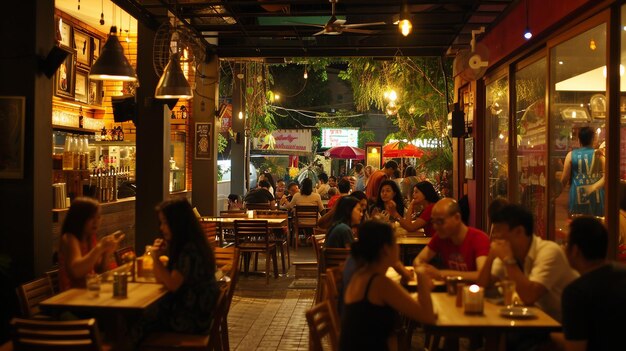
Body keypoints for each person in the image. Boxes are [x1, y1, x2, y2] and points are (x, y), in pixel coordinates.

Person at [340, 220, 437, 351]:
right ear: (386, 250)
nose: (398, 247)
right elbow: (428, 317)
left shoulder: (361, 274)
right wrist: (421, 276)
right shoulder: (380, 283)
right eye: (396, 243)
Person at [477, 204, 578, 322]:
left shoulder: (549, 252)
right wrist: (490, 257)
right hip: (533, 323)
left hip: (562, 328)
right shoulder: (508, 252)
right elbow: (481, 288)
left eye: (498, 231)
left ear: (519, 231)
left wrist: (509, 261)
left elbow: (529, 296)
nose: (494, 237)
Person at [144, 198, 219, 336]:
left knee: (133, 325)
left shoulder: (189, 250)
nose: (162, 227)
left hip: (190, 320)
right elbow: (162, 280)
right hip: (198, 315)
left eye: (165, 223)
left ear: (177, 223)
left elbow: (172, 284)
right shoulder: (192, 244)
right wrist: (159, 257)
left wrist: (155, 257)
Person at [558, 216, 626, 351]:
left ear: (575, 250)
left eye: (566, 244)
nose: (563, 248)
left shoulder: (576, 292)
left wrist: (548, 336)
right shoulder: (621, 275)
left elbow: (575, 348)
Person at [414, 198, 490, 281]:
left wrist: (441, 274)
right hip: (450, 291)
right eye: (433, 222)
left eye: (440, 222)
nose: (435, 227)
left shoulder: (479, 238)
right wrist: (424, 269)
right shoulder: (440, 237)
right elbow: (418, 260)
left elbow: (483, 275)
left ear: (457, 218)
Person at [58, 197, 124, 291]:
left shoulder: (90, 237)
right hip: (70, 297)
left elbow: (100, 270)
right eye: (91, 217)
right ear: (79, 218)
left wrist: (107, 253)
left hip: (88, 291)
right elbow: (76, 271)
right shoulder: (69, 239)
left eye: (98, 217)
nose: (96, 222)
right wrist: (100, 247)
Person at [560, 126, 605, 217]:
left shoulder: (571, 155)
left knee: (578, 227)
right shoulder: (600, 155)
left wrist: (555, 194)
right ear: (593, 139)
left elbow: (564, 180)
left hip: (577, 198)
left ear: (579, 140)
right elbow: (607, 177)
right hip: (597, 199)